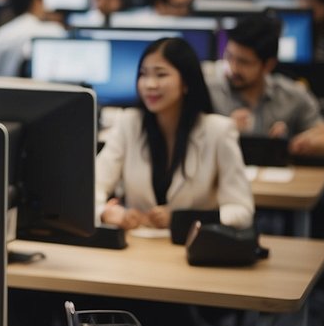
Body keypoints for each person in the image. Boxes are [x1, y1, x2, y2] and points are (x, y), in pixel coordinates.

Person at [97, 37, 253, 231]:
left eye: (161, 74)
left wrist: (181, 219)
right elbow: (91, 188)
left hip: (190, 245)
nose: (150, 84)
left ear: (186, 82)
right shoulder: (129, 123)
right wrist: (105, 212)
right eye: (143, 74)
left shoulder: (219, 131)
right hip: (137, 244)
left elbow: (242, 211)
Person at [204, 15, 324, 158]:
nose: (233, 68)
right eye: (229, 56)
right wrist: (224, 129)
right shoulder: (209, 92)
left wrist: (293, 144)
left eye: (244, 62)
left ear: (268, 65)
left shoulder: (292, 95)